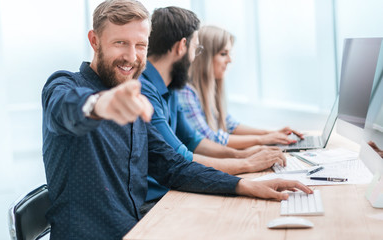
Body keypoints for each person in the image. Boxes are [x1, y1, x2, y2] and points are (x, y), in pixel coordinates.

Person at [42, 1, 312, 239]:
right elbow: (64, 110)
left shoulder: (135, 101)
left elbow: (174, 167)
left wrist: (246, 185)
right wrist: (101, 104)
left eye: (140, 45)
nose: (132, 56)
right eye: (120, 43)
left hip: (138, 228)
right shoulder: (65, 86)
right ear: (94, 41)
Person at [139, 7, 286, 203]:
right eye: (196, 49)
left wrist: (241, 154)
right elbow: (181, 157)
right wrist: (246, 163)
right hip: (154, 201)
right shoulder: (143, 90)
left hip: (172, 190)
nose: (195, 58)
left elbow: (194, 140)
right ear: (182, 46)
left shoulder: (170, 86)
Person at [178, 25, 304, 150]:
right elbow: (209, 139)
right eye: (223, 54)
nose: (230, 60)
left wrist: (270, 134)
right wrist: (262, 140)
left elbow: (231, 125)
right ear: (204, 58)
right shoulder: (186, 93)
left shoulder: (209, 90)